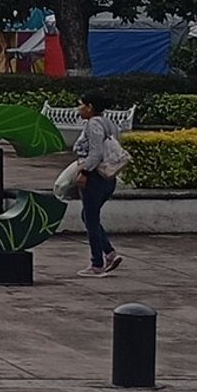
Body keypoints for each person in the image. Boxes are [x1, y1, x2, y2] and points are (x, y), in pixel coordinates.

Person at [73, 96, 122, 274]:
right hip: (108, 177)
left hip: (94, 177)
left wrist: (84, 172)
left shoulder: (92, 124)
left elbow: (95, 154)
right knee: (88, 216)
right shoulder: (110, 123)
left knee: (91, 219)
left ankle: (97, 263)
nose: (78, 108)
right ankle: (109, 253)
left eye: (81, 105)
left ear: (90, 106)